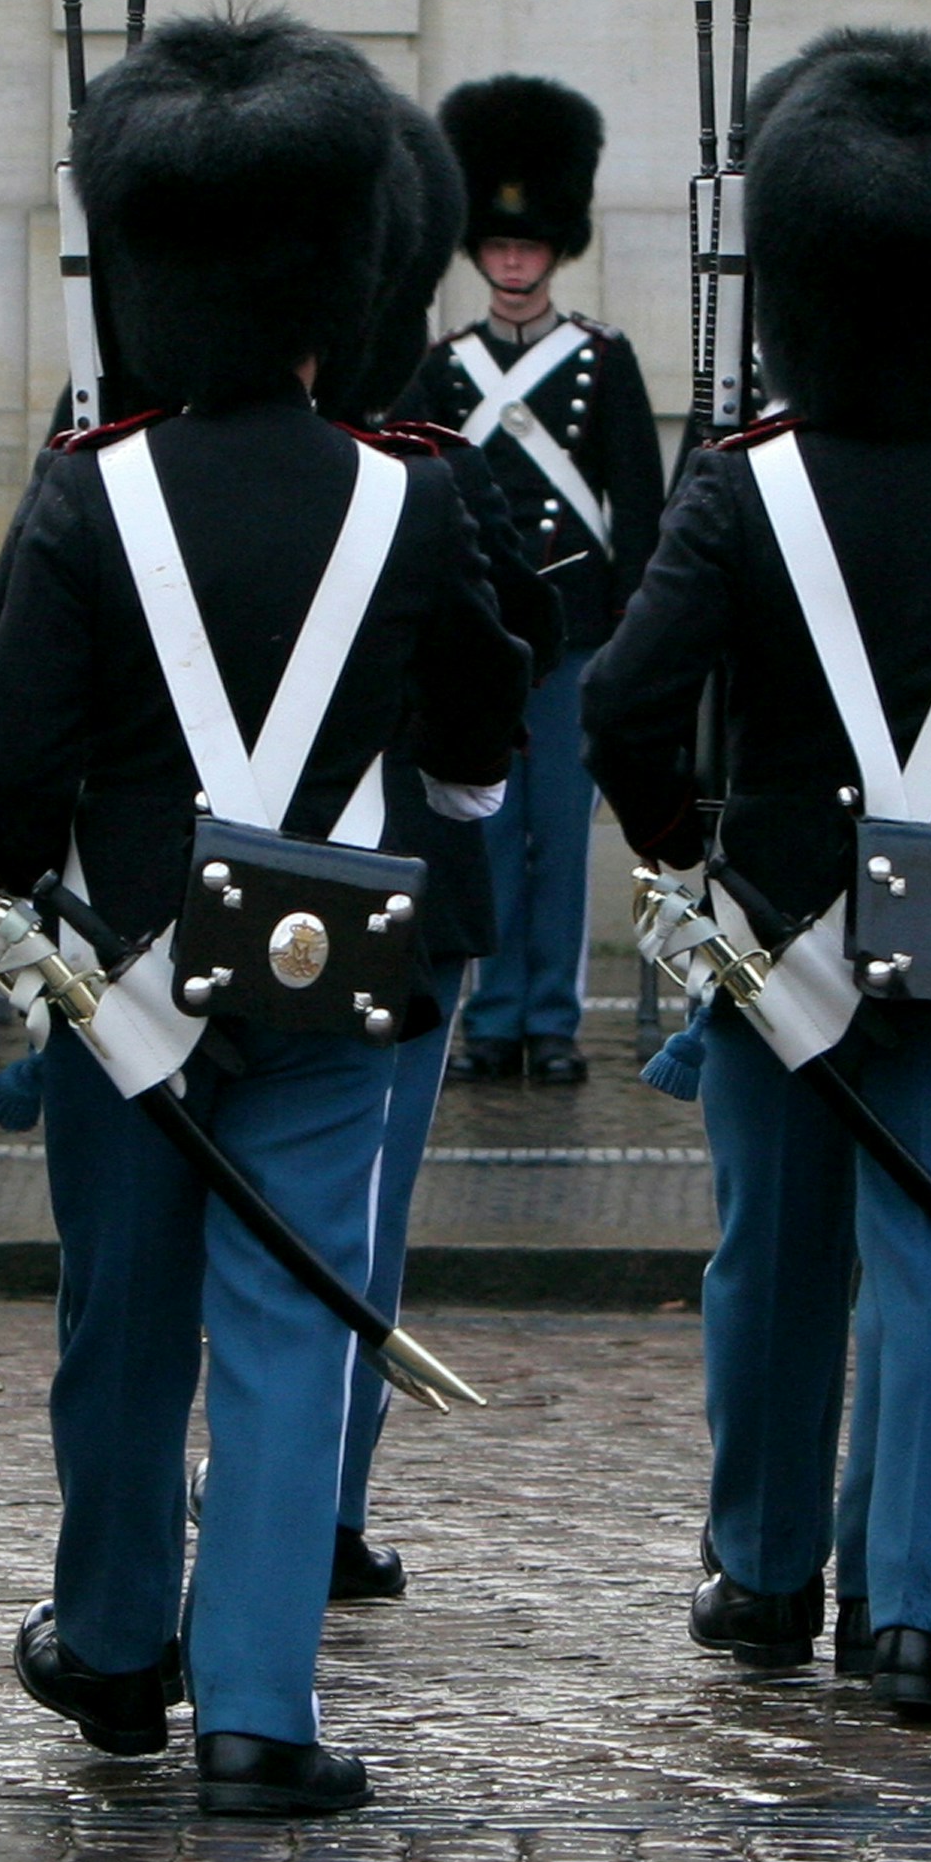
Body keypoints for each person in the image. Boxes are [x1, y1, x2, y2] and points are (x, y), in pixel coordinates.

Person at [0, 9, 528, 1816]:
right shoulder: (411, 491)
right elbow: (473, 744)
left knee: (118, 1317)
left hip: (129, 966)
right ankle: (258, 1707)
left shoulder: (81, 490)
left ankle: (117, 1641)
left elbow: (6, 770)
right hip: (333, 964)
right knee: (292, 1321)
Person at [583, 26, 931, 1725]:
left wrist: (680, 837)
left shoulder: (741, 492)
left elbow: (621, 702)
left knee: (770, 1262)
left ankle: (759, 1568)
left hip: (773, 920)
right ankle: (915, 1615)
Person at [326, 91, 565, 1607]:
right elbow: (501, 669)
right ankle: (321, 1505)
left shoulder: (128, 470)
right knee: (357, 1220)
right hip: (403, 888)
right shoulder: (430, 468)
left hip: (179, 905)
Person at [398, 75, 663, 1086]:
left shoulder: (604, 359)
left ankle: (551, 1016)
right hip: (478, 633)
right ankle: (490, 1013)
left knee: (556, 831)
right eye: (500, 247)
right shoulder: (445, 366)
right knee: (484, 830)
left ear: (555, 249)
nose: (513, 261)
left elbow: (638, 499)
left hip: (576, 629)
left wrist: (635, 619)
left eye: (529, 246)